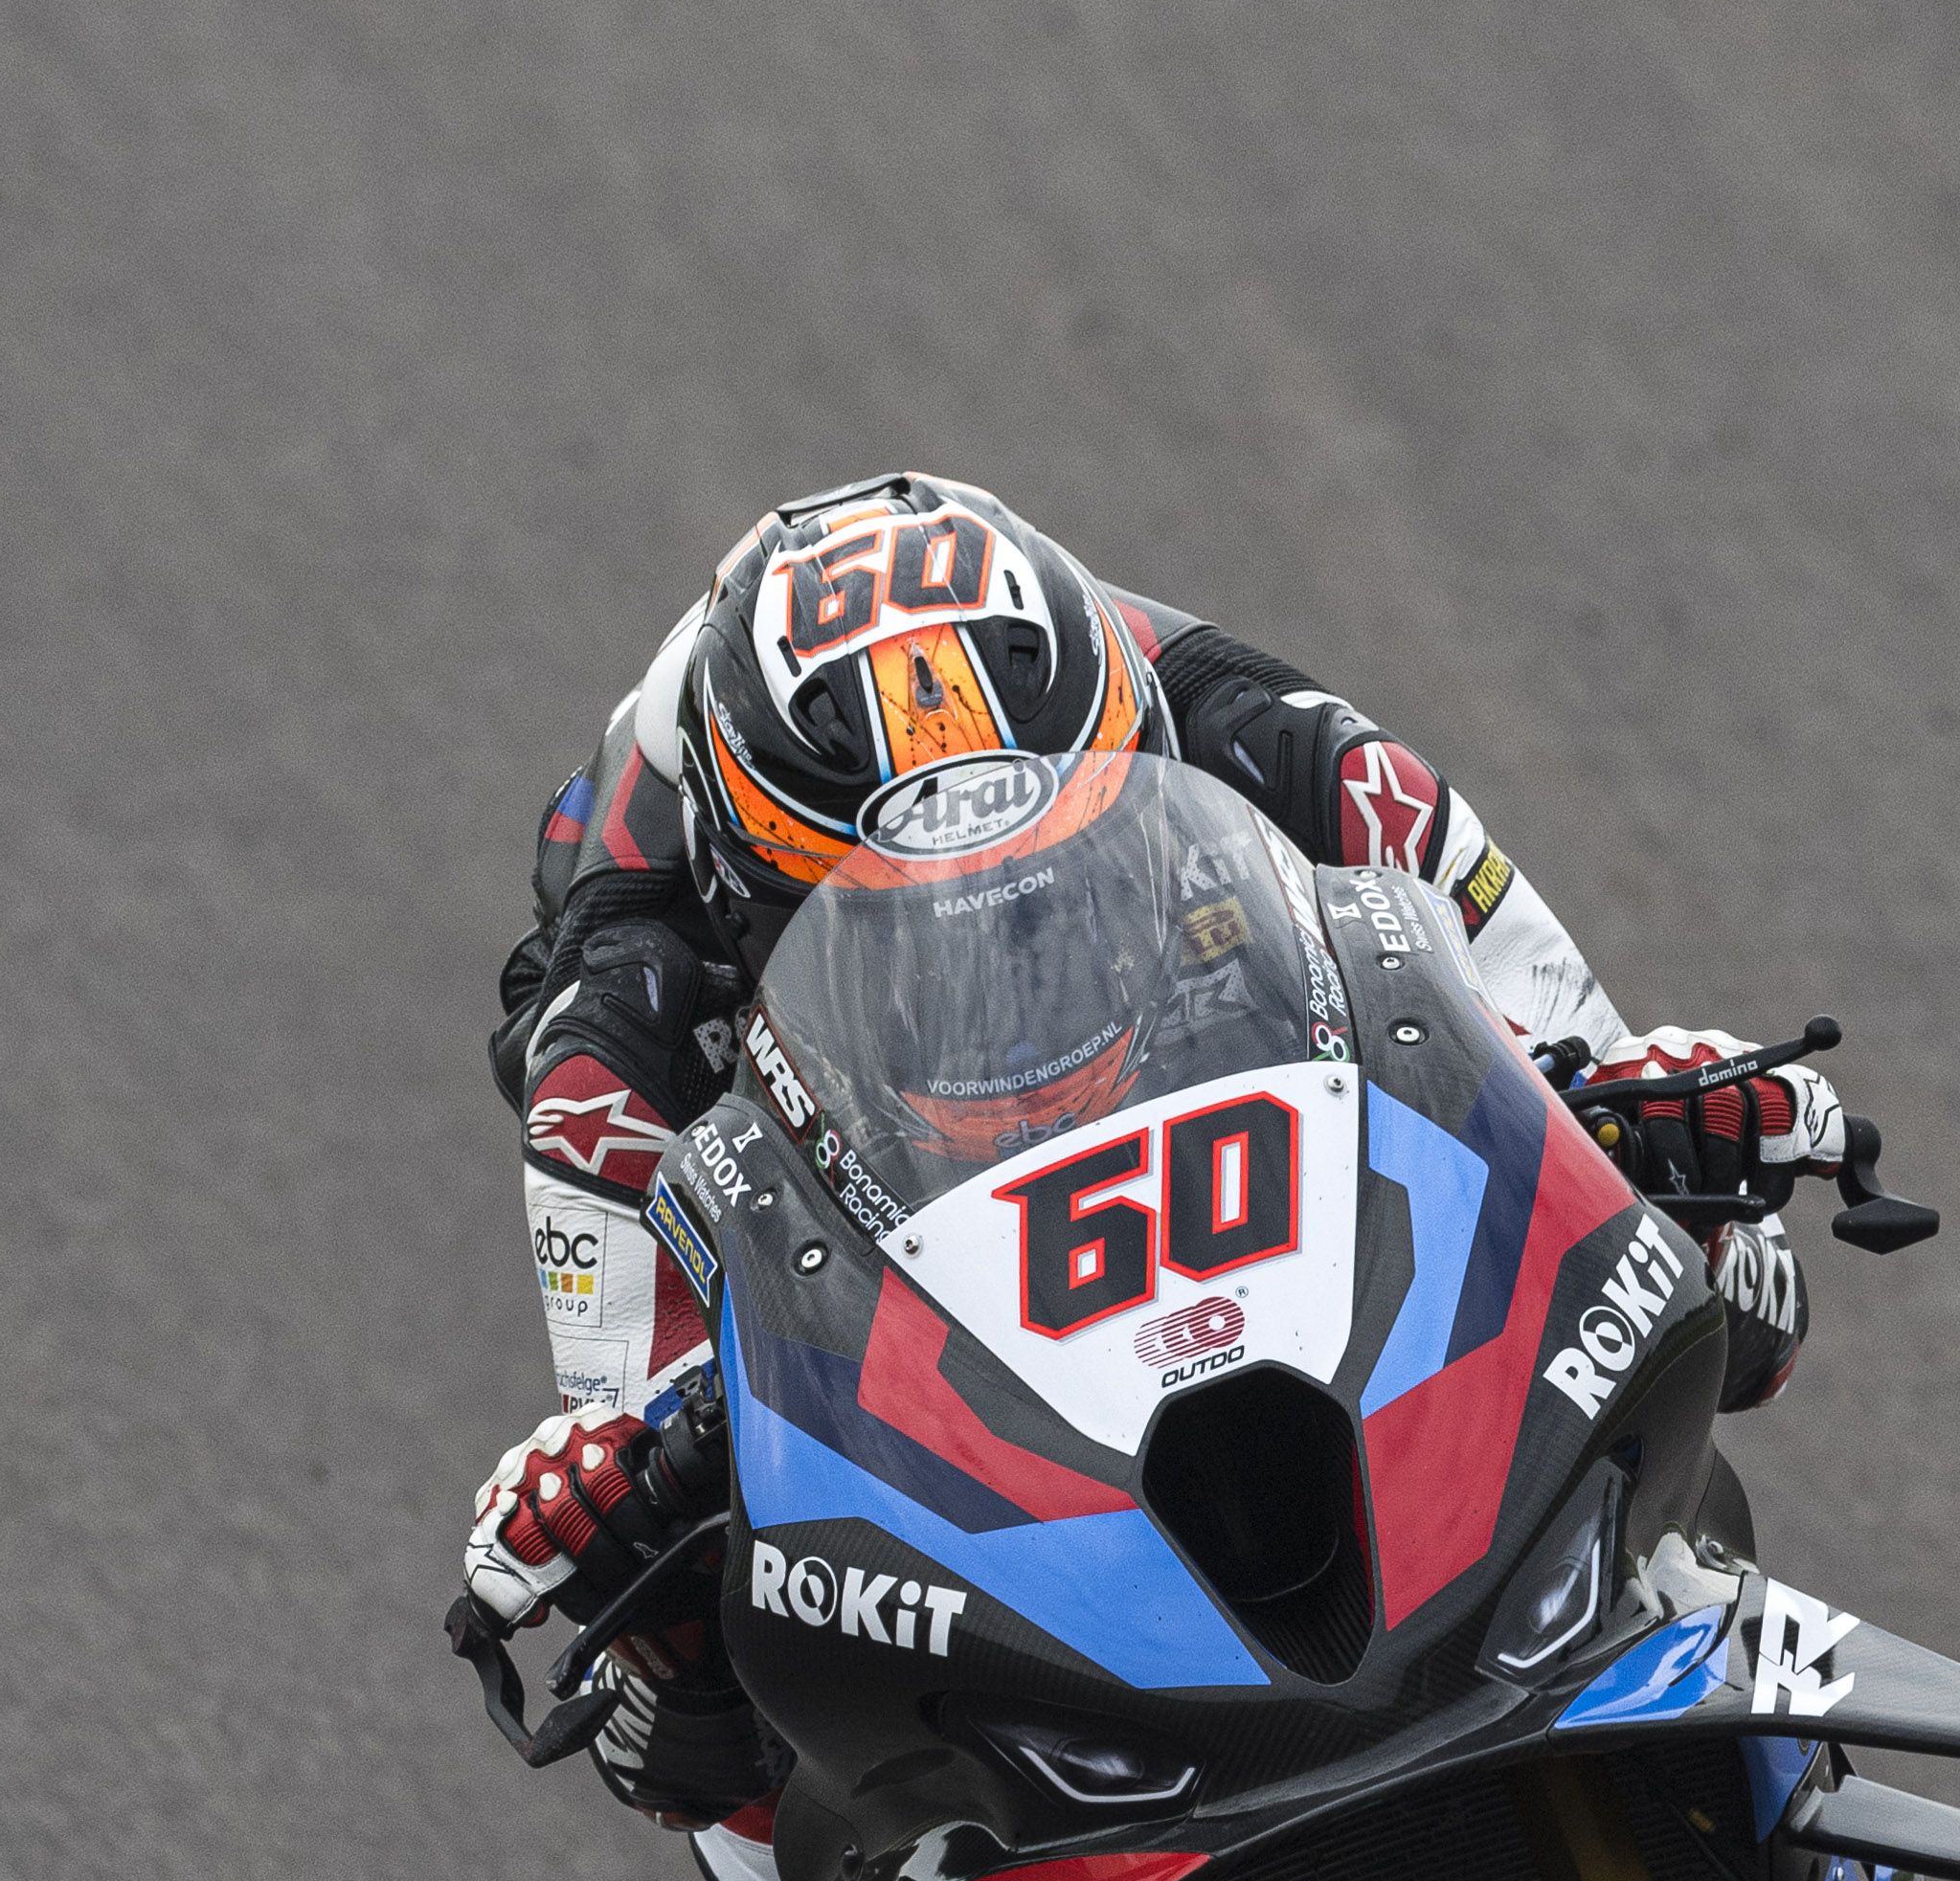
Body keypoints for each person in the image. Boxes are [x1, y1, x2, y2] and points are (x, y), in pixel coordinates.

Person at [461, 471, 1812, 1778]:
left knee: (1732, 1287)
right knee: (690, 1714)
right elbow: (632, 1462)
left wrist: (1675, 1112)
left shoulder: (1289, 749)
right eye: (911, 950)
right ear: (751, 911)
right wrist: (614, 1509)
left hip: (1224, 1080)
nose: (1011, 1009)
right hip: (843, 1192)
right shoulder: (615, 1049)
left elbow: (1577, 1057)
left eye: (1061, 903)